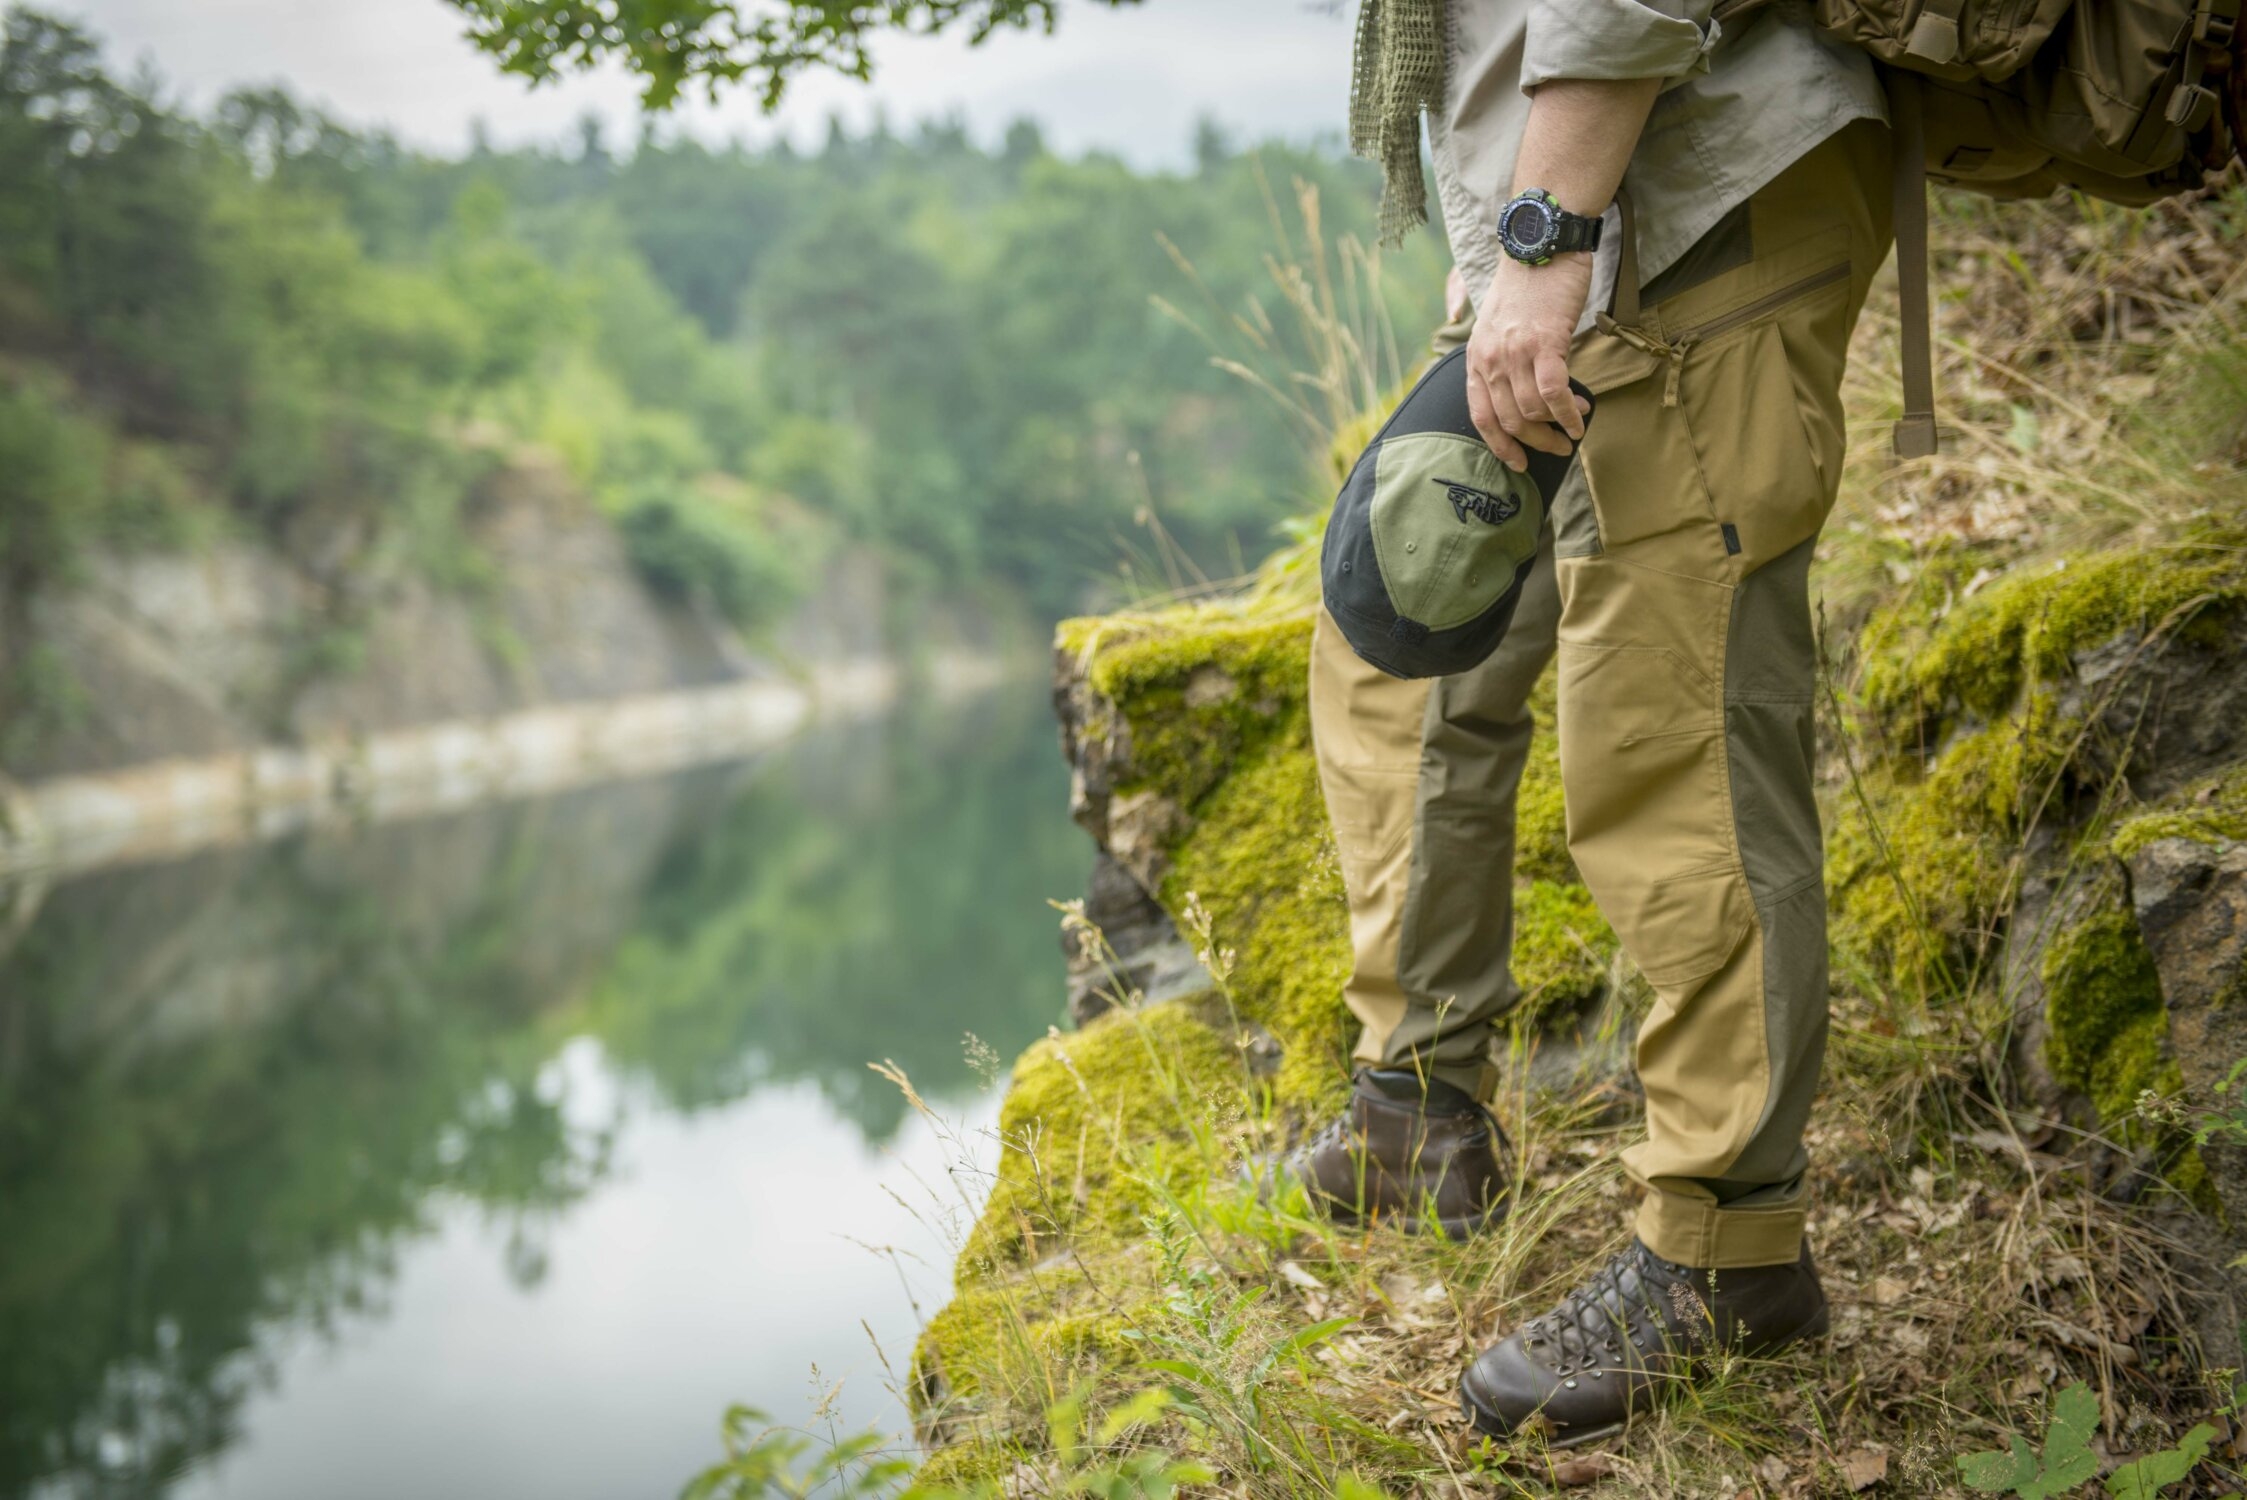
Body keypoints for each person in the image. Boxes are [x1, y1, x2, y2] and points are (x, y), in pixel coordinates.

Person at [1270, 0, 1896, 1447]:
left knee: (1672, 719)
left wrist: (1548, 239)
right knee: (1406, 632)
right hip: (1550, 228)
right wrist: (1524, 249)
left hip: (1680, 193)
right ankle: (1415, 1110)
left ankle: (1726, 1252)